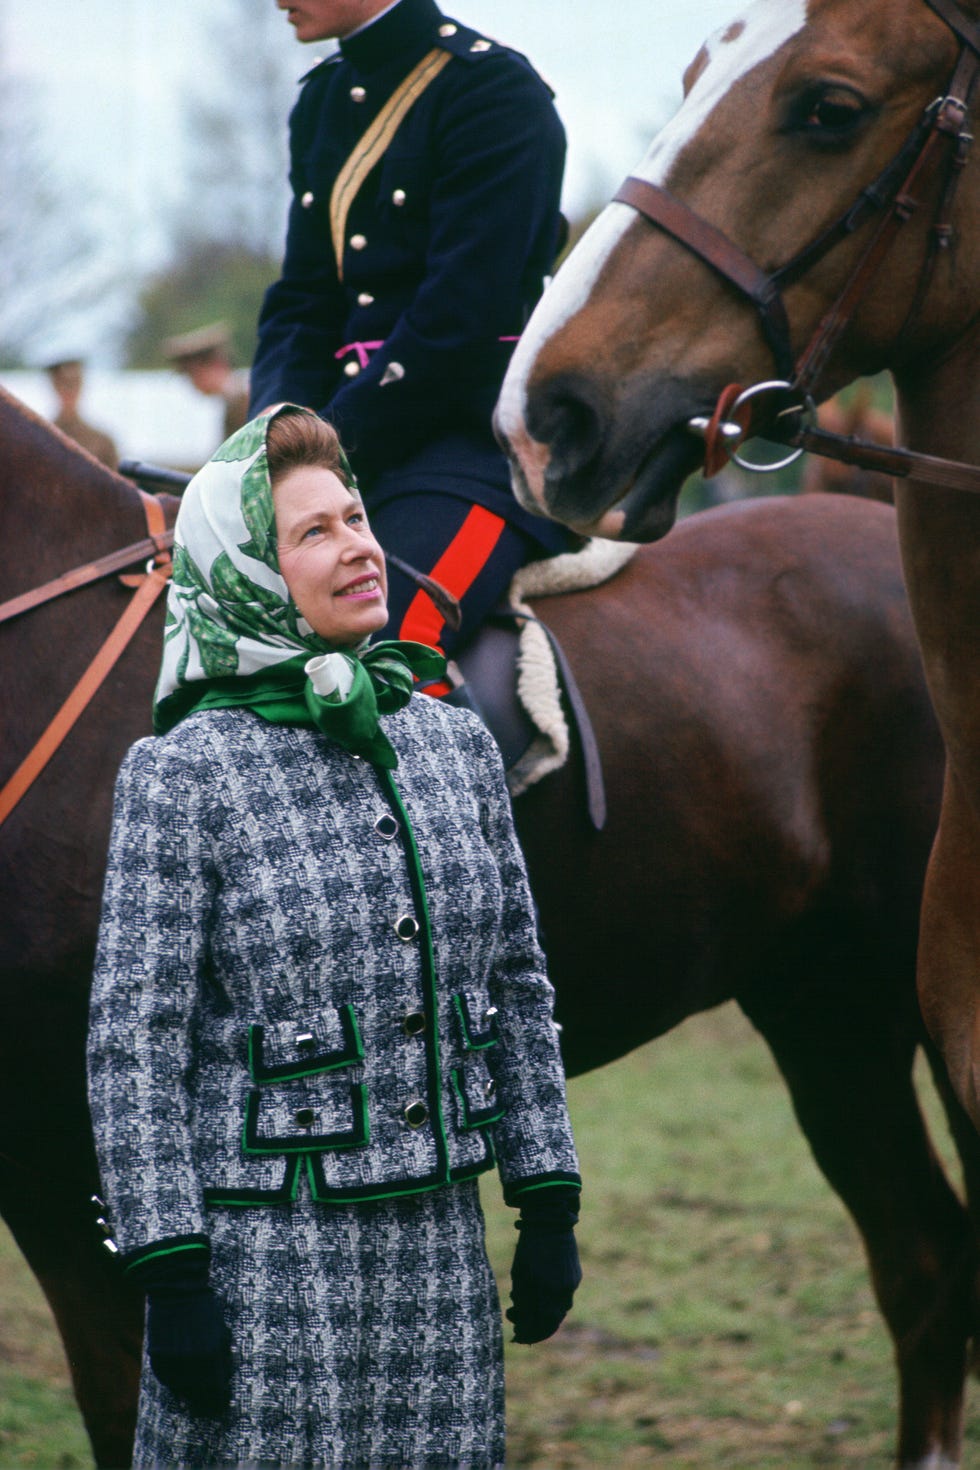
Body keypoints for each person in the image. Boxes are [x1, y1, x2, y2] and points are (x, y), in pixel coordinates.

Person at [87, 405, 582, 1468]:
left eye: (356, 517)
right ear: (248, 572)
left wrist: (545, 1202)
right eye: (314, 531)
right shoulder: (181, 772)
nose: (360, 545)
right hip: (260, 1265)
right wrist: (170, 1273)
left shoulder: (453, 745)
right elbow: (134, 1043)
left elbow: (520, 985)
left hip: (441, 1254)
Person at [249, 0, 573, 692]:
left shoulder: (492, 92)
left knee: (383, 644)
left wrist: (327, 445)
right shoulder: (325, 100)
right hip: (344, 449)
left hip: (471, 451)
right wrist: (269, 441)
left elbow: (459, 320)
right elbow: (304, 300)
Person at [163, 322, 251, 441]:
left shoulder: (245, 403)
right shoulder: (235, 401)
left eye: (193, 374)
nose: (192, 383)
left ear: (216, 364)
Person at [45, 358, 118, 469]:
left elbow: (119, 483)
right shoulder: (42, 437)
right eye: (63, 383)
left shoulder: (101, 442)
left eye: (74, 383)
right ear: (54, 385)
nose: (69, 390)